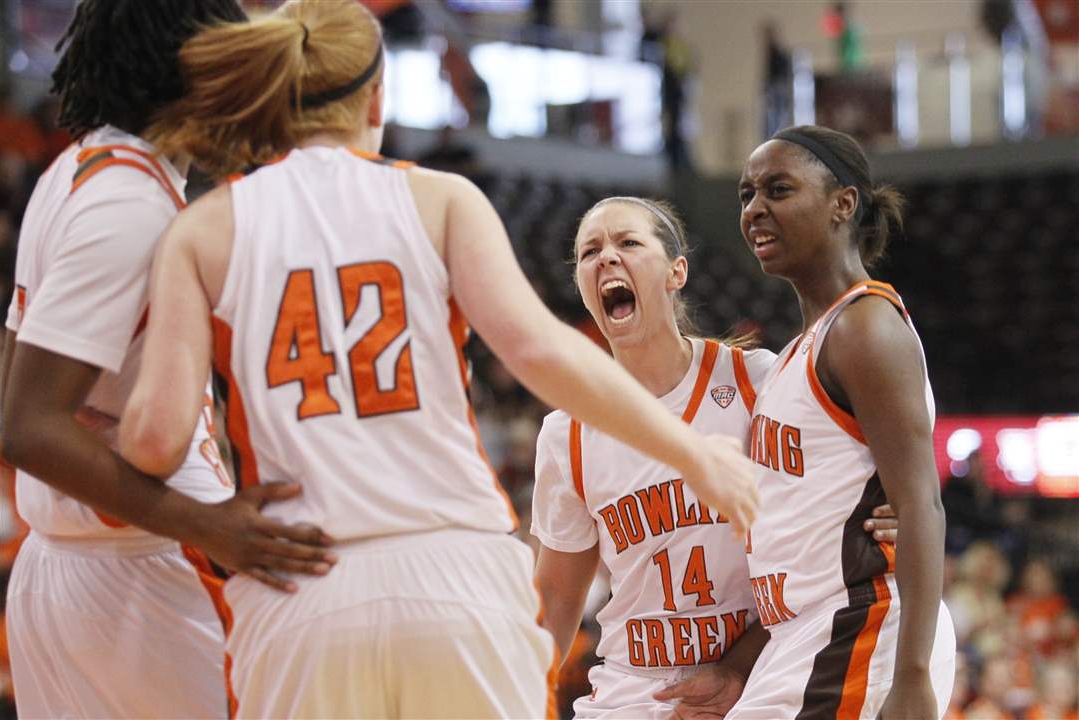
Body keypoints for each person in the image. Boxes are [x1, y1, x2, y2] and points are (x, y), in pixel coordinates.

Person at [117, 1, 758, 717]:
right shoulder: (439, 197)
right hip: (455, 579)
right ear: (377, 97)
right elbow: (537, 351)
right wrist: (697, 456)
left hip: (303, 583)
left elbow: (153, 439)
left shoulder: (202, 228)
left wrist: (194, 507)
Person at [0, 2, 340, 717]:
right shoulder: (128, 206)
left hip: (62, 573)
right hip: (143, 575)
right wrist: (209, 524)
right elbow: (26, 426)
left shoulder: (77, 170)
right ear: (193, 77)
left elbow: (19, 383)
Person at [532, 196, 900, 719]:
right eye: (590, 251)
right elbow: (555, 599)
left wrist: (897, 504)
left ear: (676, 271)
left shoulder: (758, 383)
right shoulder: (566, 432)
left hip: (760, 669)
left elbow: (852, 475)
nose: (607, 258)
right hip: (635, 688)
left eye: (628, 243)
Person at [671, 124, 956, 719]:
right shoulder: (798, 350)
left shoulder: (865, 328)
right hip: (802, 637)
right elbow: (806, 527)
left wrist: (912, 679)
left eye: (778, 189)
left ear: (842, 204)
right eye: (746, 194)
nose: (754, 210)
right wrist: (740, 664)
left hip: (864, 629)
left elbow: (921, 505)